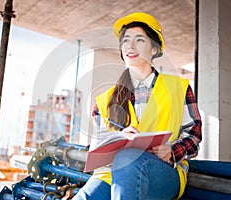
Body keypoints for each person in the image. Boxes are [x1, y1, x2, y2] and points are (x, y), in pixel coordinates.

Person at [73, 12, 202, 200]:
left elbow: (194, 134)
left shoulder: (178, 87)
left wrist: (172, 151)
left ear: (154, 49)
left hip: (163, 170)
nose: (130, 46)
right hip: (110, 175)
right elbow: (98, 145)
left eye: (139, 40)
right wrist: (118, 139)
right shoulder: (104, 100)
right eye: (125, 41)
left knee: (127, 159)